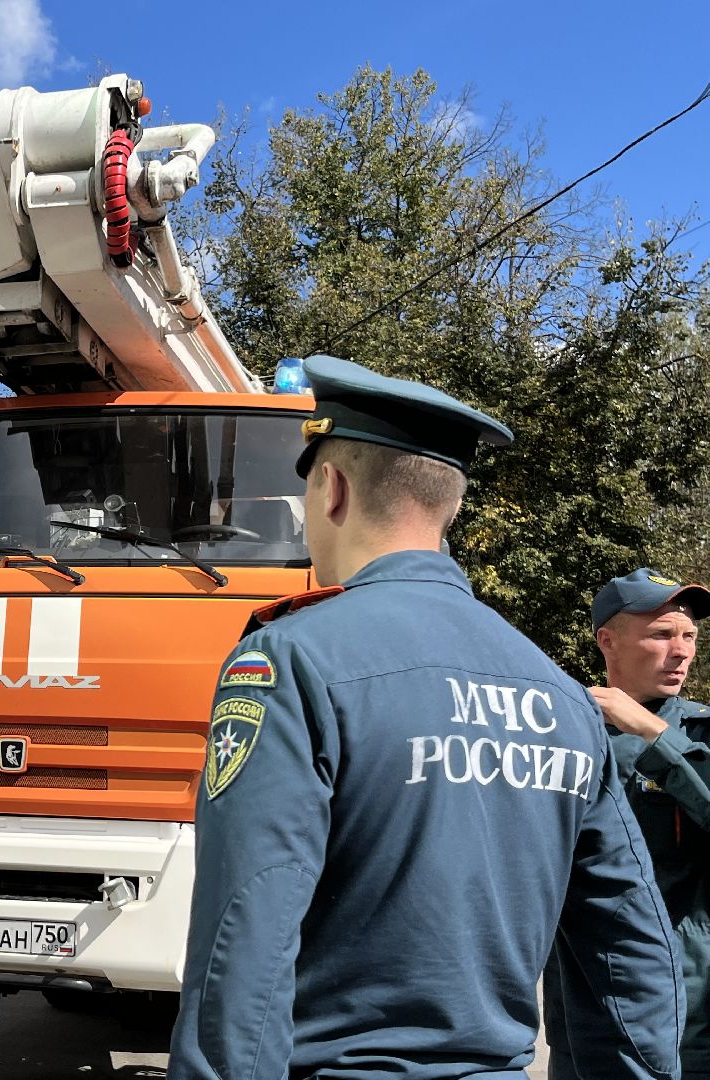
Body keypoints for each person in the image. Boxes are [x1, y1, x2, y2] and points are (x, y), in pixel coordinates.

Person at [168, 355, 683, 1080]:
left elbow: (246, 925)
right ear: (452, 507)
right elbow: (630, 942)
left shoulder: (290, 660)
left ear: (332, 486)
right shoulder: (563, 695)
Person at [548, 568, 710, 1079]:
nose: (681, 651)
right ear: (607, 640)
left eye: (689, 636)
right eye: (662, 634)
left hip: (690, 1006)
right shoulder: (562, 730)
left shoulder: (701, 733)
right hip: (582, 1000)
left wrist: (650, 731)